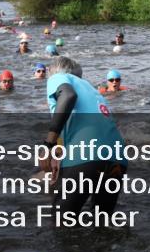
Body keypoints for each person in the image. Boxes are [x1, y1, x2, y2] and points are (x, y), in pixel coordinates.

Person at [39, 56, 127, 222]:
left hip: (88, 154)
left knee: (62, 224)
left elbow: (68, 96)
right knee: (102, 225)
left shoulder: (58, 77)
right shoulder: (91, 89)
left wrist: (48, 145)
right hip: (118, 158)